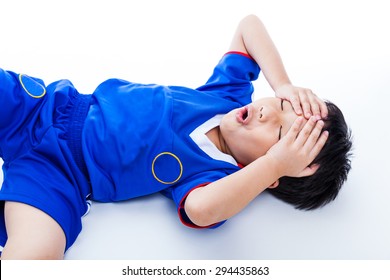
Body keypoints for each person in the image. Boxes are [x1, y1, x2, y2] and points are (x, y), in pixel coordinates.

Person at [0, 14, 352, 259]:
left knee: (37, 255)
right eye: (282, 105)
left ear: (268, 175)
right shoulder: (226, 96)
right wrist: (284, 84)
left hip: (61, 179)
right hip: (45, 108)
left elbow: (200, 210)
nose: (268, 111)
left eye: (278, 131)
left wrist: (276, 165)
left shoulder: (217, 178)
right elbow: (249, 26)